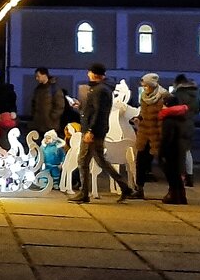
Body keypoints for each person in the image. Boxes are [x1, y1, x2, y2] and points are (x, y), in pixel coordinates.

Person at [70, 63, 134, 204]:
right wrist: (80, 107)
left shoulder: (100, 90)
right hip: (94, 130)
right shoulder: (100, 89)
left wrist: (90, 130)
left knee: (84, 161)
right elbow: (93, 110)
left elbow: (99, 113)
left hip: (93, 131)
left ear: (94, 74)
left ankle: (84, 193)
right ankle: (124, 187)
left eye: (89, 72)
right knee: (100, 160)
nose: (88, 74)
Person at [133, 73, 167, 196]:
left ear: (152, 85)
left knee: (164, 163)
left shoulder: (163, 96)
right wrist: (139, 118)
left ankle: (175, 189)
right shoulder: (144, 96)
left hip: (156, 134)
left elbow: (163, 118)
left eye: (146, 85)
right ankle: (139, 189)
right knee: (141, 162)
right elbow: (143, 112)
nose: (144, 87)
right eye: (143, 85)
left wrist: (163, 135)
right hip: (144, 133)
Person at [159, 93, 191, 204]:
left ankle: (174, 196)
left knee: (172, 174)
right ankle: (181, 196)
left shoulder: (169, 120)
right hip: (180, 148)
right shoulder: (182, 118)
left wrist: (161, 152)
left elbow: (167, 138)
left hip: (171, 150)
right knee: (177, 174)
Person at [172, 74, 198, 186]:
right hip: (190, 124)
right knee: (187, 150)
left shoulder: (178, 94)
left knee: (178, 151)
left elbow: (172, 109)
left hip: (178, 124)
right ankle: (190, 176)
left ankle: (180, 176)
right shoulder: (194, 95)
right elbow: (197, 109)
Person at [30, 68, 65, 140]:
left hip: (50, 125)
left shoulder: (54, 88)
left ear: (44, 75)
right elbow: (34, 103)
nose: (37, 78)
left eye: (38, 76)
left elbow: (60, 105)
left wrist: (53, 117)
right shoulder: (38, 89)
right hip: (39, 124)